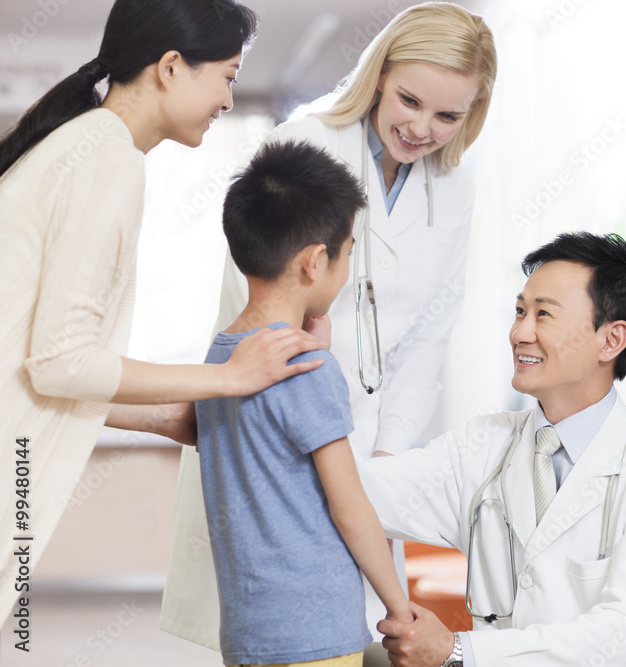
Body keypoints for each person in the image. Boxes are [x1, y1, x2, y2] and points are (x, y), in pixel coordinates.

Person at [160, 1, 498, 647]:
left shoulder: (456, 191)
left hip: (368, 437)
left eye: (447, 116)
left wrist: (387, 454)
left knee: (352, 633)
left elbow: (429, 335)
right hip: (279, 412)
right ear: (380, 74)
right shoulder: (307, 145)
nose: (421, 128)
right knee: (274, 626)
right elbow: (252, 302)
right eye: (409, 100)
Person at [0, 0, 326, 621]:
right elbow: (61, 363)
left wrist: (162, 417)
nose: (228, 99)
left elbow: (31, 365)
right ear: (171, 67)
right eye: (227, 76)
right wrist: (227, 378)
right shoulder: (105, 158)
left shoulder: (90, 145)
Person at [363, 233, 626, 667]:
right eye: (520, 311)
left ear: (611, 340)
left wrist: (458, 651)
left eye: (543, 314)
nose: (520, 333)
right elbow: (357, 494)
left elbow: (624, 634)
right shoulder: (481, 445)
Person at [199, 140, 413, 667]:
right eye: (348, 253)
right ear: (316, 262)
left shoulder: (221, 356)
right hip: (316, 630)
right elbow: (350, 506)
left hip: (249, 628)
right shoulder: (306, 366)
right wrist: (399, 606)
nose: (346, 269)